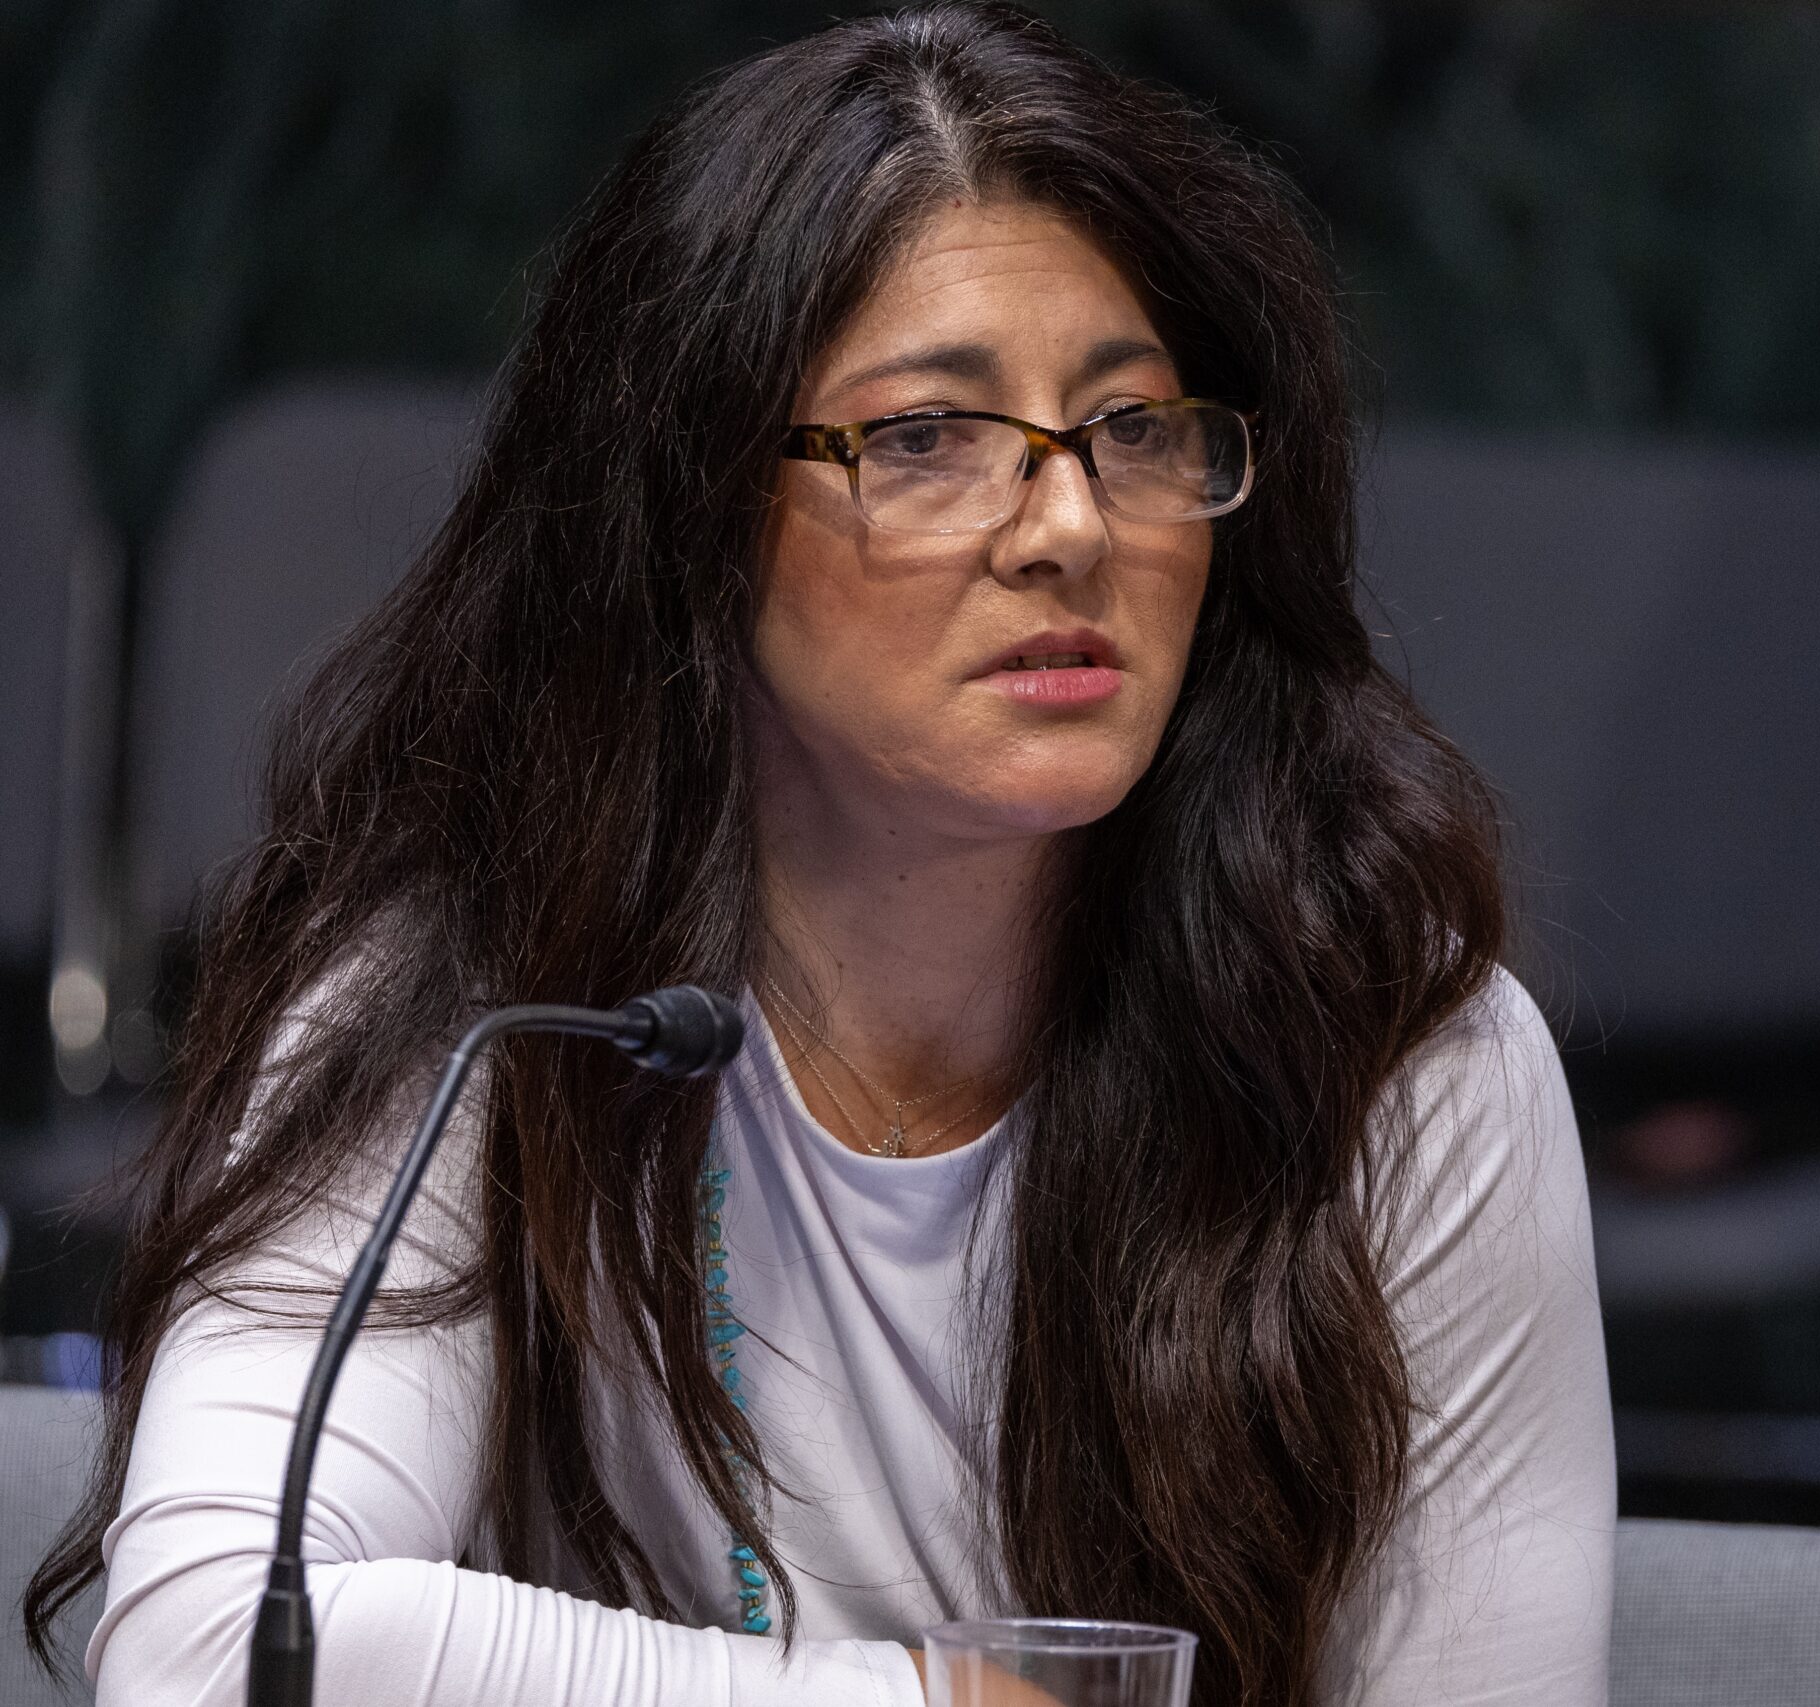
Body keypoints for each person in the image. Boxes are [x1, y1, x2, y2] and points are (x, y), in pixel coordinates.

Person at [19, 10, 1615, 1705]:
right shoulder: (474, 1008)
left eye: (1134, 429)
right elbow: (216, 1653)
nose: (1069, 523)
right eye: (926, 438)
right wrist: (927, 1705)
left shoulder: (1389, 1054)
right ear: (693, 514)